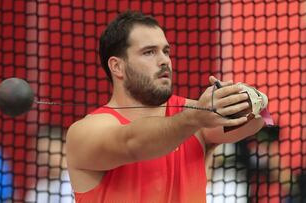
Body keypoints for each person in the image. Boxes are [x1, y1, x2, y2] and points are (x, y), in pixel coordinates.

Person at [66, 11, 267, 203]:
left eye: (166, 51)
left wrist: (248, 99)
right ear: (117, 67)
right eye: (149, 52)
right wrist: (194, 118)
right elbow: (132, 143)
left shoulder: (193, 115)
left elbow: (255, 123)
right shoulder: (85, 132)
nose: (164, 60)